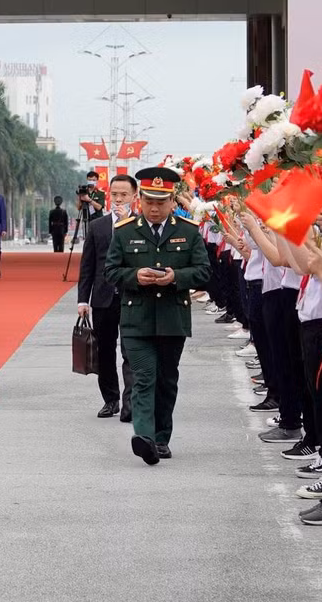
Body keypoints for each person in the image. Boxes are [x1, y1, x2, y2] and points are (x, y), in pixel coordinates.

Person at [104, 166, 210, 465]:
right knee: (144, 376)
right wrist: (135, 275)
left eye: (160, 202)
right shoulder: (125, 232)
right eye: (149, 201)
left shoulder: (188, 232)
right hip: (136, 319)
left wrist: (176, 277)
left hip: (172, 318)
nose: (154, 207)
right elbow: (110, 271)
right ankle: (144, 437)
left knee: (166, 379)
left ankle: (162, 438)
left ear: (172, 201)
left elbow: (203, 272)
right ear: (141, 200)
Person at [77, 174, 136, 421]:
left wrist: (127, 224)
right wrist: (83, 299)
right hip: (102, 298)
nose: (119, 199)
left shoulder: (141, 225)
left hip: (132, 296)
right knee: (104, 351)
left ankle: (130, 402)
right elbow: (87, 265)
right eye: (115, 194)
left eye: (124, 195)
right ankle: (110, 399)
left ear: (135, 196)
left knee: (131, 350)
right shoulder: (98, 226)